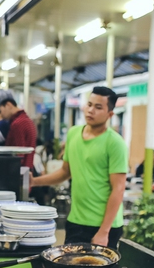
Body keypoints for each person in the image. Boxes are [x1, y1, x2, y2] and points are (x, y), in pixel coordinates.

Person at [30, 86, 128, 249]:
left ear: (110, 114)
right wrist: (34, 182)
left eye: (98, 107)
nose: (91, 110)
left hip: (104, 226)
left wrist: (104, 231)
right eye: (89, 104)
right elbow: (65, 172)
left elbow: (118, 189)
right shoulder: (73, 133)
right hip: (76, 221)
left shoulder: (115, 143)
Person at [0, 89, 36, 168]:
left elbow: (18, 156)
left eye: (0, 111)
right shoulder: (27, 120)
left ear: (8, 105)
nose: (0, 115)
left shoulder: (17, 124)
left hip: (18, 174)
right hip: (26, 172)